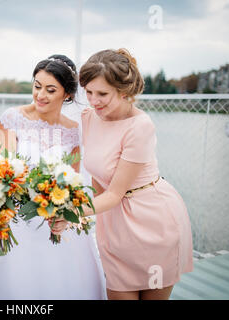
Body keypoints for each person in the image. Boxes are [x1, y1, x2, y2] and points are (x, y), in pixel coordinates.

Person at [0, 54, 106, 300]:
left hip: (53, 221)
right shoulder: (13, 119)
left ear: (67, 94)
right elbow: (0, 173)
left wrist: (63, 213)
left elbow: (74, 183)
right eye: (37, 86)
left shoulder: (73, 132)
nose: (40, 95)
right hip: (16, 222)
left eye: (50, 90)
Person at [51, 48, 194, 300]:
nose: (94, 101)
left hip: (152, 221)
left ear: (124, 91)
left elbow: (115, 193)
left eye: (102, 94)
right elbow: (98, 177)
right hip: (114, 227)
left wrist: (69, 213)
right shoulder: (89, 117)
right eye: (89, 92)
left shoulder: (140, 127)